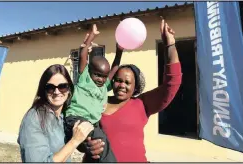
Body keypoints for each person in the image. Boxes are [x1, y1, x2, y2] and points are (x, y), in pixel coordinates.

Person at [84, 19, 182, 162]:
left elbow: (172, 84)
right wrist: (85, 145)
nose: (122, 85)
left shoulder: (142, 104)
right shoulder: (98, 100)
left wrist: (170, 45)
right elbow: (80, 130)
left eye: (127, 82)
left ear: (135, 87)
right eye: (118, 80)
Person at [64, 24, 123, 162]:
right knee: (101, 140)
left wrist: (119, 51)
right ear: (89, 71)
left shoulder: (104, 86)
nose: (100, 79)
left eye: (104, 76)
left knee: (96, 148)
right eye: (97, 75)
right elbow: (84, 54)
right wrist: (91, 36)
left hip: (91, 124)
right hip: (75, 119)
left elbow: (115, 67)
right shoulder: (85, 78)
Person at [17, 64, 94, 162]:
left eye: (62, 86)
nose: (57, 92)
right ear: (43, 91)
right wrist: (75, 141)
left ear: (69, 89)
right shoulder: (34, 118)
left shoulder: (63, 115)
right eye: (50, 87)